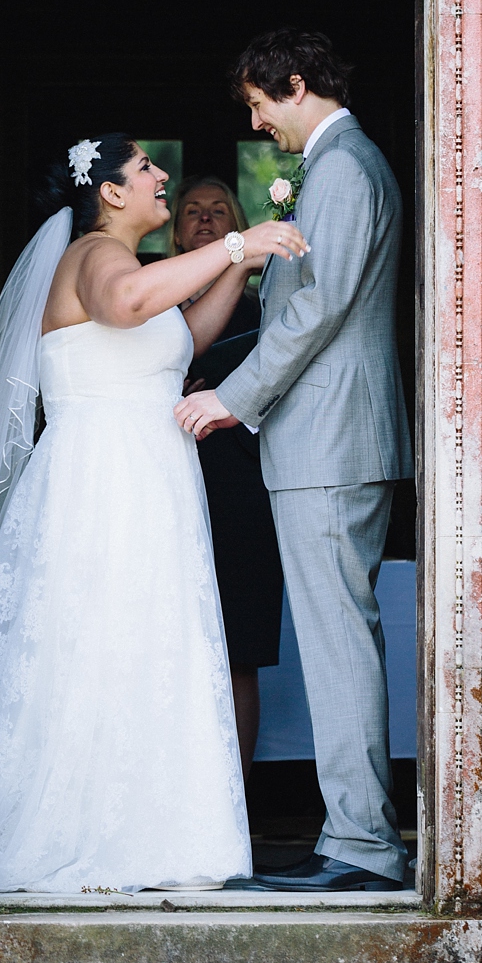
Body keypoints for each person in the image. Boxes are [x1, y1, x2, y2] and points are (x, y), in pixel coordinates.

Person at [0, 134, 308, 894]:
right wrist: (239, 236)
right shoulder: (96, 258)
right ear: (108, 193)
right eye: (145, 169)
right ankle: (89, 831)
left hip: (153, 484)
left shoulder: (131, 264)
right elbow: (128, 305)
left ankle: (155, 833)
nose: (162, 175)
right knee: (103, 642)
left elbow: (181, 337)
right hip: (102, 488)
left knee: (153, 648)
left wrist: (236, 264)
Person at [175, 29, 414, 893]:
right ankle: (352, 835)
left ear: (298, 84)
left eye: (258, 102)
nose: (255, 119)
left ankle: (363, 846)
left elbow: (315, 309)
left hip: (330, 439)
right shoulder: (343, 163)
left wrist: (232, 399)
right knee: (335, 637)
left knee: (339, 640)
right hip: (324, 439)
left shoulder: (346, 167)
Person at [170, 176, 284, 779]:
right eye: (193, 211)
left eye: (220, 210)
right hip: (161, 486)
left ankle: (236, 808)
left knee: (238, 648)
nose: (207, 220)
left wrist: (232, 400)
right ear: (174, 228)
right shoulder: (153, 300)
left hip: (241, 489)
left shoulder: (267, 311)